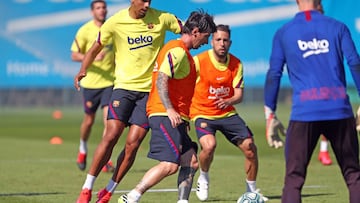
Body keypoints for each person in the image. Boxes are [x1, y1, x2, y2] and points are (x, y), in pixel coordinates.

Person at [74, 0, 184, 202]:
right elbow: (95, 47)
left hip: (149, 93)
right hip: (123, 88)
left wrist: (200, 32)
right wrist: (83, 69)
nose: (147, 4)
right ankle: (87, 187)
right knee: (111, 135)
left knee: (133, 145)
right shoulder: (116, 22)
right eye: (143, 0)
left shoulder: (162, 18)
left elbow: (187, 33)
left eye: (150, 0)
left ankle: (108, 189)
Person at [264, 0, 360, 202]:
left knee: (293, 179)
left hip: (304, 113)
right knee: (353, 176)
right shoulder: (337, 27)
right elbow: (355, 63)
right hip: (339, 109)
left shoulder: (284, 32)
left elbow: (274, 74)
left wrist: (270, 114)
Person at [118, 10, 217, 203]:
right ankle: (131, 197)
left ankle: (182, 201)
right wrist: (170, 109)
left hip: (175, 116)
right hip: (164, 114)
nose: (206, 42)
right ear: (195, 31)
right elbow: (162, 79)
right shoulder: (178, 51)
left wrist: (183, 117)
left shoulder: (183, 52)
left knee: (191, 161)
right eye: (206, 37)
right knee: (171, 165)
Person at [190, 24, 267, 202]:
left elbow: (239, 95)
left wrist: (228, 101)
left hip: (226, 113)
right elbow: (185, 87)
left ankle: (251, 191)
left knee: (250, 147)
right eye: (218, 40)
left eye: (225, 40)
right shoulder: (198, 61)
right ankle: (203, 176)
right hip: (202, 113)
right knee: (209, 146)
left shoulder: (236, 64)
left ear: (230, 43)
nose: (222, 43)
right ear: (211, 42)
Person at [70, 0, 115, 172]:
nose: (102, 10)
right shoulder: (85, 30)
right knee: (88, 122)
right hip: (90, 83)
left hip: (110, 83)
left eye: (104, 7)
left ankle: (105, 159)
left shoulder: (111, 28)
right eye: (98, 8)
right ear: (92, 11)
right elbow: (74, 55)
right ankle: (82, 147)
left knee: (109, 123)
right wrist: (91, 57)